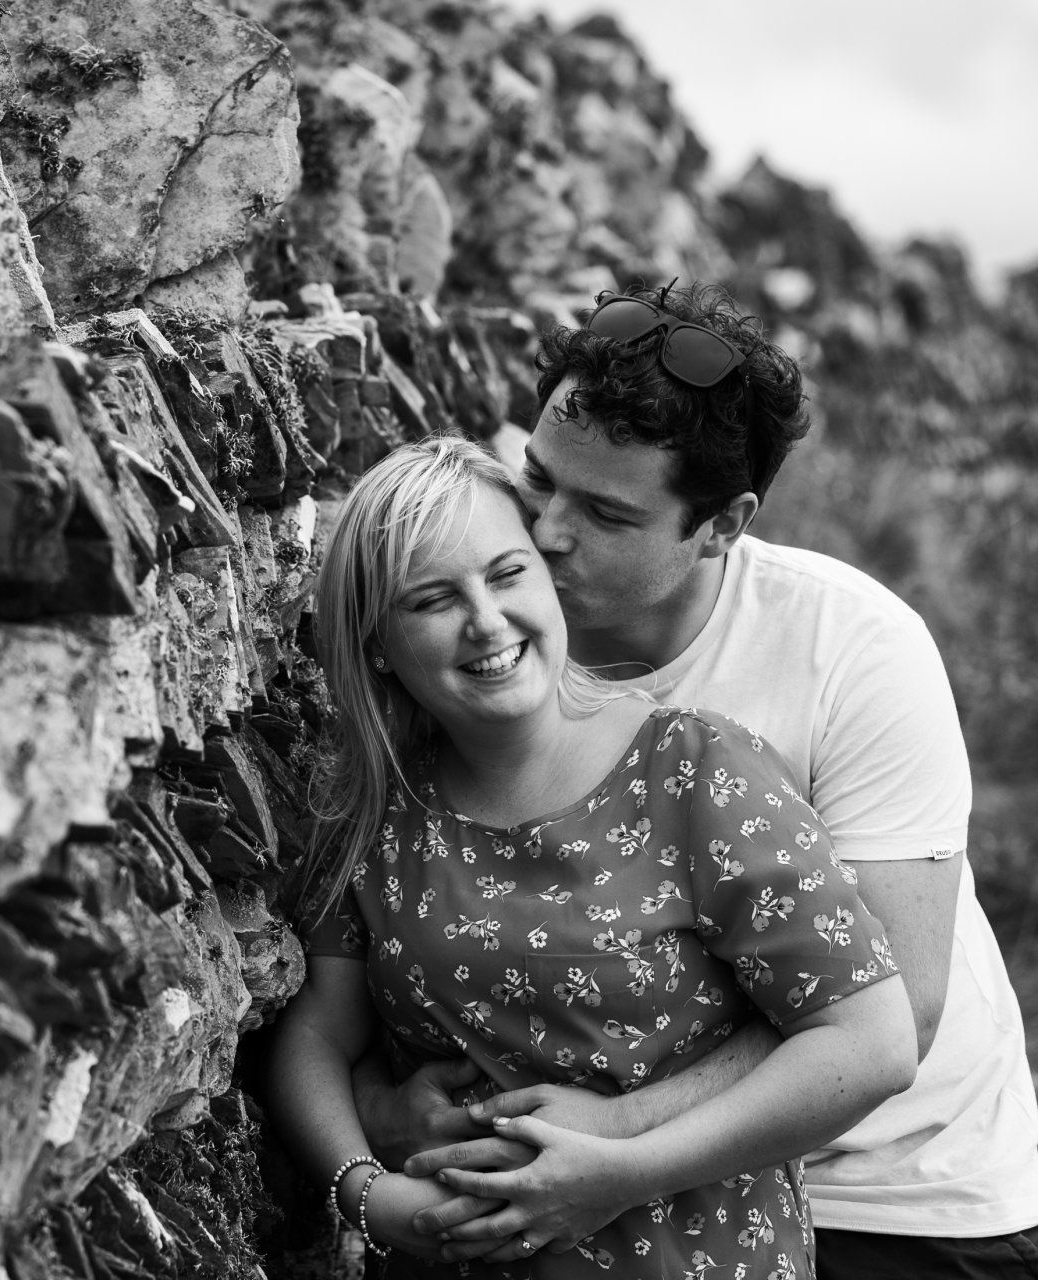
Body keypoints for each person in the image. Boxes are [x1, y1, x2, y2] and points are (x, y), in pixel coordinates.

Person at [369, 280, 1038, 1278]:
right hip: (591, 1196)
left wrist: (626, 1134)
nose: (547, 533)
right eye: (539, 479)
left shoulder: (851, 645)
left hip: (896, 1192)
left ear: (723, 524)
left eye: (603, 511)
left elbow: (905, 1003)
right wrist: (387, 1110)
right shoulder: (497, 639)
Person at [265, 435, 916, 1276]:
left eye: (507, 574)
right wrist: (368, 1194)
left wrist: (621, 1171)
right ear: (378, 642)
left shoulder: (695, 773)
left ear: (547, 576)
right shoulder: (376, 813)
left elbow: (871, 1041)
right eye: (432, 599)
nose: (487, 622)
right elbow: (315, 1034)